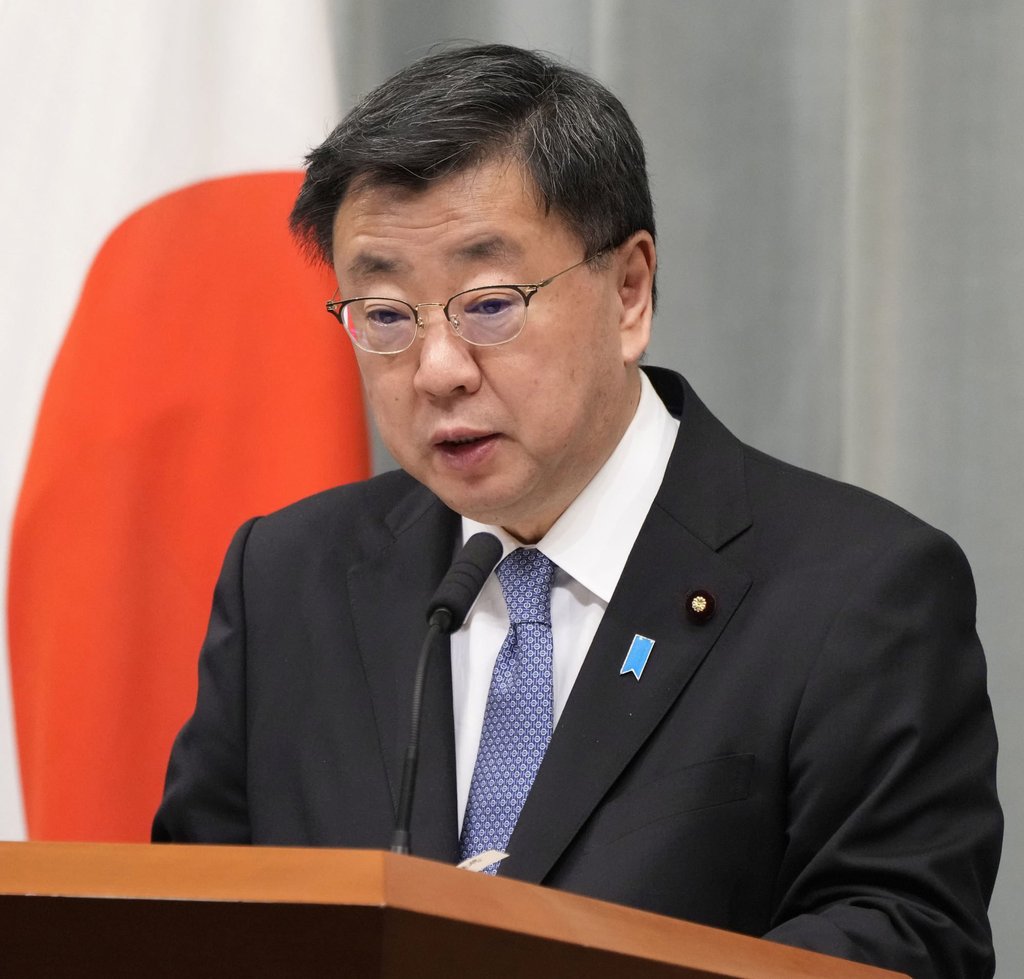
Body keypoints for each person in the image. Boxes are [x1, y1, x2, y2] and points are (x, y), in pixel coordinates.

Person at [152, 43, 1001, 977]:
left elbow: (903, 937)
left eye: (489, 303)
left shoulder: (857, 590)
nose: (438, 369)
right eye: (387, 315)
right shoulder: (287, 577)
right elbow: (198, 918)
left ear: (629, 291)